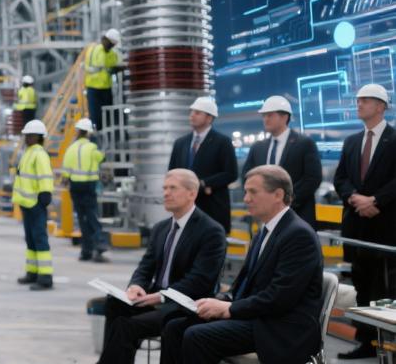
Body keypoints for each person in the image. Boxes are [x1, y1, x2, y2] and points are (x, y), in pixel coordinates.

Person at [160, 165, 322, 364]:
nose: (245, 199)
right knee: (174, 327)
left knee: (197, 336)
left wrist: (229, 308)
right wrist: (221, 299)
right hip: (260, 317)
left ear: (278, 195)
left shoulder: (298, 234)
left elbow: (280, 297)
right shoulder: (265, 231)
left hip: (281, 327)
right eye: (245, 192)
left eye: (253, 192)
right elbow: (247, 285)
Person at [97, 169, 226, 364]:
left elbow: (199, 281)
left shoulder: (211, 231)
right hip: (156, 297)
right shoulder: (161, 228)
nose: (166, 193)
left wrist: (161, 296)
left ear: (192, 193)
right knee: (115, 304)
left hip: (184, 304)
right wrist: (136, 285)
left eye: (173, 188)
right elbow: (145, 266)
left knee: (126, 326)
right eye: (164, 188)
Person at [332, 83, 396, 359]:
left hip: (386, 226)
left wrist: (376, 201)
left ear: (381, 106)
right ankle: (367, 342)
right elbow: (340, 179)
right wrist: (355, 198)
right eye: (358, 100)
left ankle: (389, 343)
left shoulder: (394, 139)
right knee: (362, 284)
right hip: (357, 227)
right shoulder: (351, 141)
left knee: (387, 286)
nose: (358, 104)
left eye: (365, 100)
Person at [242, 95, 322, 228]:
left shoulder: (304, 144)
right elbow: (246, 176)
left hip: (296, 216)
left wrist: (284, 202)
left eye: (270, 115)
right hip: (265, 217)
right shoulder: (258, 147)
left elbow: (312, 178)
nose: (265, 119)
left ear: (285, 117)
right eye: (264, 116)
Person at [167, 97, 237, 233]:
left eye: (197, 113)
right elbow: (172, 173)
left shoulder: (222, 142)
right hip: (184, 208)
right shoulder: (180, 143)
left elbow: (231, 173)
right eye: (191, 112)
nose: (192, 115)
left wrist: (204, 184)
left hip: (212, 208)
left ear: (209, 118)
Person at [11, 119, 54, 290]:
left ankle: (45, 277)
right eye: (26, 135)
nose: (27, 138)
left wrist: (45, 194)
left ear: (39, 137)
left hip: (36, 203)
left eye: (31, 135)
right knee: (30, 240)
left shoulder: (39, 154)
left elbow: (45, 176)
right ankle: (32, 272)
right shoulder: (28, 152)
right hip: (26, 203)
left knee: (40, 239)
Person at [61, 118, 107, 262]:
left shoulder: (71, 148)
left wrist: (66, 179)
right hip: (89, 185)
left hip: (75, 186)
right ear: (88, 133)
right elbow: (101, 158)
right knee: (92, 215)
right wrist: (99, 143)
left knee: (82, 218)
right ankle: (99, 243)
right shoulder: (92, 148)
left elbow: (66, 171)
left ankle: (86, 251)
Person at [83, 29, 123, 131]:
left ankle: (107, 135)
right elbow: (91, 68)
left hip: (106, 89)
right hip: (93, 88)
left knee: (108, 117)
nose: (111, 46)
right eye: (110, 43)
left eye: (113, 44)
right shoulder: (94, 50)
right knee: (96, 118)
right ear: (105, 40)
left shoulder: (112, 53)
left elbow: (114, 66)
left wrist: (116, 69)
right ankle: (96, 136)